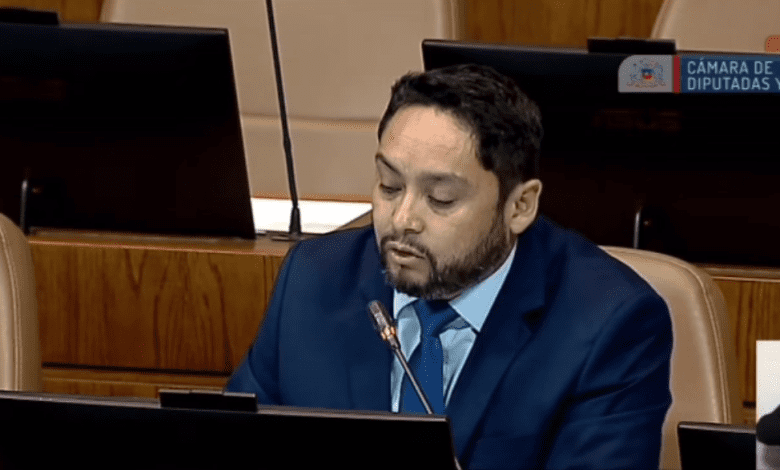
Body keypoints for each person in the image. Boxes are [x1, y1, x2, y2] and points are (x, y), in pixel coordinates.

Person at [226, 64, 673, 469]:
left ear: (520, 205)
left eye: (440, 198)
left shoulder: (610, 323)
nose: (402, 220)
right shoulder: (312, 280)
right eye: (389, 186)